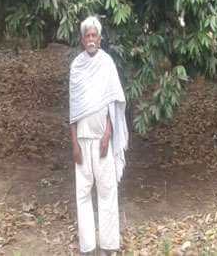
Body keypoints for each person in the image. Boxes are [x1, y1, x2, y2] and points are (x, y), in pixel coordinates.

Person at [69, 16, 128, 255]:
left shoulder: (107, 64)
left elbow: (114, 102)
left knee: (106, 190)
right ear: (83, 40)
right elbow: (73, 109)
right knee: (83, 192)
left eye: (94, 35)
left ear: (100, 39)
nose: (91, 39)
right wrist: (74, 143)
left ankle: (109, 245)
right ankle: (87, 246)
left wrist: (108, 135)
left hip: (103, 139)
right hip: (82, 141)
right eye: (87, 36)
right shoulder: (76, 67)